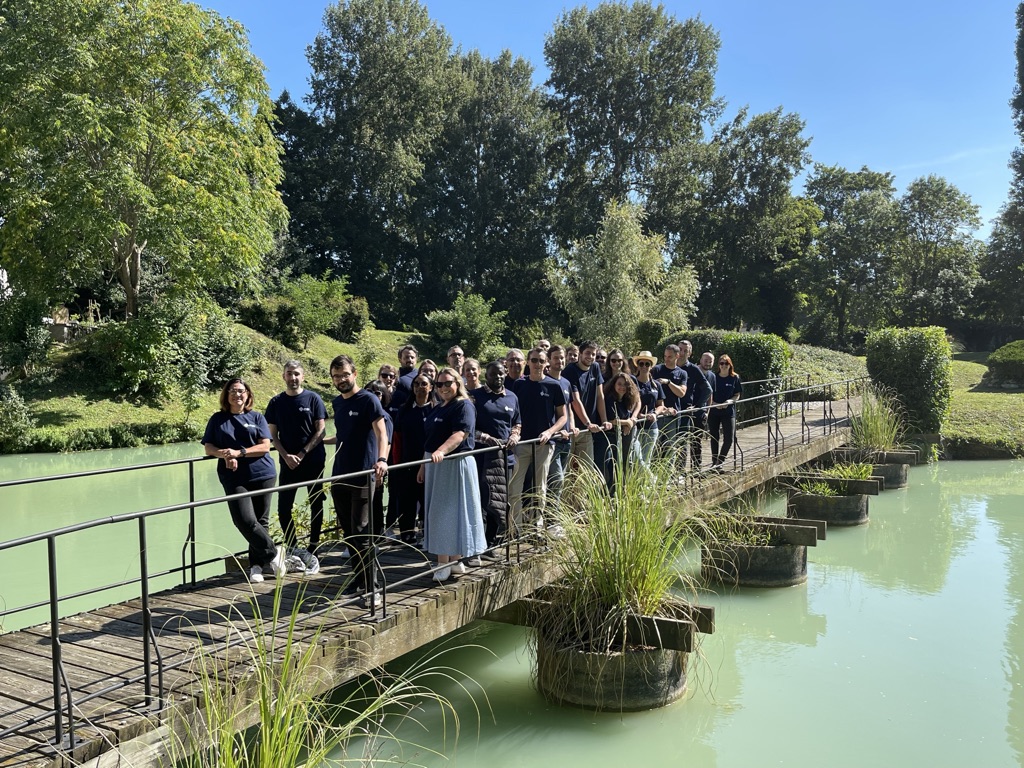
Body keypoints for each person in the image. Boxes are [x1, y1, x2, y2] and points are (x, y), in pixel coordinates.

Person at [202, 378, 284, 584]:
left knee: (260, 521)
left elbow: (265, 446)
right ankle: (274, 555)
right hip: (233, 477)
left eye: (241, 391)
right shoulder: (217, 419)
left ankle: (256, 566)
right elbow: (208, 447)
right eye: (232, 391)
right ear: (226, 395)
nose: (237, 394)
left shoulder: (256, 417)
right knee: (244, 520)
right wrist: (224, 454)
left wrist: (239, 453)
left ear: (248, 395)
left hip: (262, 474)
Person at [324, 355, 390, 608]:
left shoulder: (369, 400)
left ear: (355, 373)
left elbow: (381, 432)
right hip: (340, 474)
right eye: (336, 376)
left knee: (362, 532)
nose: (341, 380)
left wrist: (382, 459)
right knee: (349, 533)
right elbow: (343, 435)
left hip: (363, 475)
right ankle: (359, 581)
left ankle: (373, 588)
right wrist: (319, 440)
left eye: (344, 375)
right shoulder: (337, 403)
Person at [417, 368, 486, 582]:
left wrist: (441, 451)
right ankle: (455, 560)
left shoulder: (464, 405)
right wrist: (423, 464)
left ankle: (444, 563)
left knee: (446, 513)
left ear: (458, 383)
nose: (444, 388)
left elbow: (460, 434)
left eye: (448, 383)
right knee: (443, 512)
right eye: (439, 384)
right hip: (435, 463)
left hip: (454, 464)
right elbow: (430, 438)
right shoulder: (439, 407)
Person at [265, 361, 327, 561]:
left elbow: (321, 430)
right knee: (284, 507)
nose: (293, 378)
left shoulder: (313, 398)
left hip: (313, 459)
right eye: (289, 374)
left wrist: (301, 454)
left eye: (297, 374)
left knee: (316, 502)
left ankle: (314, 545)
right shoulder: (276, 402)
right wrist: (285, 456)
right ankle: (292, 546)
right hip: (287, 462)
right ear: (283, 376)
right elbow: (272, 435)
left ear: (303, 376)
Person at [509, 347, 567, 534]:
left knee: (540, 488)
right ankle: (515, 529)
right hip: (522, 444)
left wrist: (550, 432)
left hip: (544, 445)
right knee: (515, 487)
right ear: (528, 362)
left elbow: (563, 416)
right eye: (534, 360)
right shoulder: (519, 384)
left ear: (546, 363)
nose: (538, 364)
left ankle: (536, 528)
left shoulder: (554, 385)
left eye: (541, 361)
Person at [471, 361, 521, 557]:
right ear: (486, 375)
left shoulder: (512, 397)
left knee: (498, 500)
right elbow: (468, 428)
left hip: (505, 457)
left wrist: (515, 435)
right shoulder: (475, 397)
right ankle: (477, 543)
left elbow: (517, 421)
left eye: (501, 374)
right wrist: (486, 438)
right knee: (481, 500)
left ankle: (491, 542)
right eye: (493, 374)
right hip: (480, 455)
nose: (497, 377)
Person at [389, 372, 434, 545]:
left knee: (427, 500)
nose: (420, 387)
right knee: (406, 500)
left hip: (430, 463)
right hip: (407, 463)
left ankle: (427, 533)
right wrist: (397, 463)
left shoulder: (436, 409)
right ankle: (407, 535)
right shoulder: (404, 410)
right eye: (416, 384)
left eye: (424, 384)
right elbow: (397, 439)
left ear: (430, 387)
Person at [563, 340, 610, 467]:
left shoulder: (595, 367)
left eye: (593, 354)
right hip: (572, 428)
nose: (590, 357)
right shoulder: (570, 371)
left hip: (587, 429)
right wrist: (588, 423)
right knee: (568, 469)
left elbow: (600, 396)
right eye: (587, 353)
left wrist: (604, 420)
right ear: (580, 354)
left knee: (586, 468)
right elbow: (575, 401)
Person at [364, 380, 394, 551]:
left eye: (377, 393)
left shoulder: (384, 417)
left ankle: (375, 538)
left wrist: (381, 466)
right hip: (362, 465)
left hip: (376, 466)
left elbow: (387, 442)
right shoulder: (364, 413)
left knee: (374, 504)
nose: (373, 396)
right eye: (369, 391)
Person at [596, 372, 640, 491]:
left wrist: (630, 420)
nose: (622, 387)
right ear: (614, 384)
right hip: (607, 438)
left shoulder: (626, 399)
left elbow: (637, 403)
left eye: (625, 385)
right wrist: (627, 423)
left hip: (619, 438)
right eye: (619, 384)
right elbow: (611, 420)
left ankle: (616, 493)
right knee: (605, 467)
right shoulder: (609, 399)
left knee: (619, 467)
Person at [545, 344, 576, 505]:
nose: (560, 361)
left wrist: (572, 426)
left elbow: (568, 408)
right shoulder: (545, 382)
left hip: (567, 439)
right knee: (556, 479)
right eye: (556, 357)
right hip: (553, 440)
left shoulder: (566, 382)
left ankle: (554, 516)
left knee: (560, 480)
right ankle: (552, 520)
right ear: (549, 360)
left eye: (562, 357)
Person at [676, 340, 713, 471]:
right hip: (669, 410)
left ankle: (681, 472)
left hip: (686, 410)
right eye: (680, 349)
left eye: (685, 351)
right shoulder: (669, 366)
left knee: (682, 442)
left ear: (690, 353)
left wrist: (698, 406)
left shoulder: (693, 369)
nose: (682, 353)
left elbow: (708, 389)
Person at [652, 344, 687, 462]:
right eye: (665, 356)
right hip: (658, 414)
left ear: (677, 356)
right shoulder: (657, 369)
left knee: (670, 448)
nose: (666, 359)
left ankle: (669, 477)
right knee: (655, 448)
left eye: (670, 357)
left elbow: (682, 393)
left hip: (673, 415)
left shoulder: (682, 373)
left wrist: (668, 382)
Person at [633, 351, 666, 470]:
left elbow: (661, 405)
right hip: (636, 426)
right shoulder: (633, 382)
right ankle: (653, 481)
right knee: (636, 458)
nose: (644, 367)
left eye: (647, 364)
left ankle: (644, 486)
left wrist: (655, 414)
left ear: (651, 366)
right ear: (637, 365)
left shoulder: (656, 385)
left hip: (651, 426)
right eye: (641, 364)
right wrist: (637, 414)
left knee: (646, 459)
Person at [709, 354, 743, 470]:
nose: (723, 366)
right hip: (714, 410)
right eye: (721, 363)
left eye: (726, 363)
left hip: (728, 411)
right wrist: (714, 404)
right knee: (714, 437)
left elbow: (737, 394)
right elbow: (708, 394)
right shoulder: (713, 377)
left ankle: (720, 460)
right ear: (719, 365)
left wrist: (729, 401)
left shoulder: (734, 378)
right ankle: (714, 462)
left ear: (730, 365)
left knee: (729, 438)